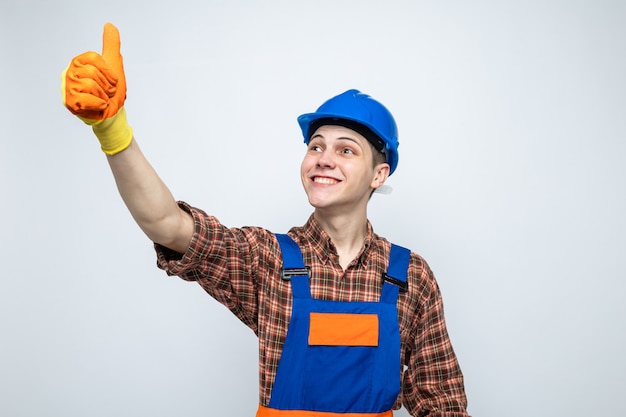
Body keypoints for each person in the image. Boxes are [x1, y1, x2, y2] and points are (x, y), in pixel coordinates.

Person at [62, 23, 470, 417]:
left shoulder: (410, 276)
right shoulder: (268, 260)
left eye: (346, 150)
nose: (323, 159)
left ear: (378, 175)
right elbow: (167, 224)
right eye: (316, 146)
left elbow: (444, 405)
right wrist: (113, 132)